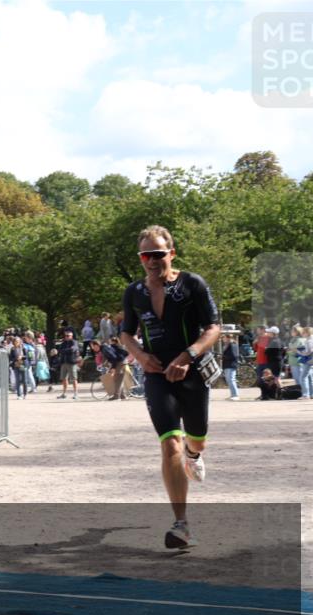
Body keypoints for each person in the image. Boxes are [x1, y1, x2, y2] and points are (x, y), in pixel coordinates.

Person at [119, 225, 220, 550]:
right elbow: (126, 333)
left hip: (192, 372)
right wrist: (140, 356)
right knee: (169, 445)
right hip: (157, 375)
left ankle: (194, 453)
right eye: (145, 255)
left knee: (196, 439)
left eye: (158, 254)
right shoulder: (134, 292)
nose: (151, 260)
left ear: (171, 253)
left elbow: (213, 327)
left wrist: (188, 355)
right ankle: (181, 525)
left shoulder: (192, 284)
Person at [55, 329, 82, 399]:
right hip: (64, 362)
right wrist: (67, 350)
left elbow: (73, 349)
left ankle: (76, 394)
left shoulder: (74, 342)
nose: (66, 337)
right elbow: (60, 350)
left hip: (71, 362)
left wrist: (64, 351)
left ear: (71, 336)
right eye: (65, 336)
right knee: (63, 378)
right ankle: (64, 393)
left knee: (74, 378)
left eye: (68, 335)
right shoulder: (63, 343)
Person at [296, 327, 313, 399]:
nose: (302, 334)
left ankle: (306, 395)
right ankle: (312, 394)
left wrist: (299, 351)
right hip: (312, 361)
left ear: (307, 333)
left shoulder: (309, 341)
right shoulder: (312, 340)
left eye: (303, 332)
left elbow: (308, 352)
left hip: (308, 361)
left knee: (303, 377)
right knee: (310, 378)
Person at [221, 333, 241, 401]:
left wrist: (224, 357)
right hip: (227, 365)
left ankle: (236, 395)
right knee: (229, 380)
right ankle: (232, 394)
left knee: (231, 380)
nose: (223, 339)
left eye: (224, 337)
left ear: (228, 338)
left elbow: (234, 355)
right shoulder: (227, 345)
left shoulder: (232, 345)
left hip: (231, 365)